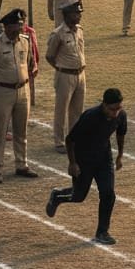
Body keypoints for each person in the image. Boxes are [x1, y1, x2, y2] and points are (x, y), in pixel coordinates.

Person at [46, 88, 126, 244]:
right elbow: (70, 140)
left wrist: (120, 156)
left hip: (104, 159)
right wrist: (72, 163)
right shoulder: (90, 117)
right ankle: (57, 196)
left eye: (118, 108)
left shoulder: (121, 115)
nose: (115, 112)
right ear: (104, 104)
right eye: (112, 109)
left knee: (108, 193)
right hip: (84, 160)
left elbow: (121, 134)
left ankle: (102, 232)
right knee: (78, 196)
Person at [0, 8, 38, 183]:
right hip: (3, 91)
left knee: (21, 130)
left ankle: (21, 164)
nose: (19, 28)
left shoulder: (25, 41)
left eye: (20, 25)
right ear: (6, 27)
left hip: (23, 90)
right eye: (15, 25)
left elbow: (30, 62)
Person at [46, 0, 87, 152]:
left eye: (79, 13)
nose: (79, 16)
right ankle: (59, 141)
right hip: (65, 75)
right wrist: (61, 68)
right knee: (61, 110)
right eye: (76, 13)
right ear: (67, 15)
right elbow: (50, 56)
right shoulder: (58, 34)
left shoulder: (80, 30)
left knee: (77, 110)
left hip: (81, 74)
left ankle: (74, 139)